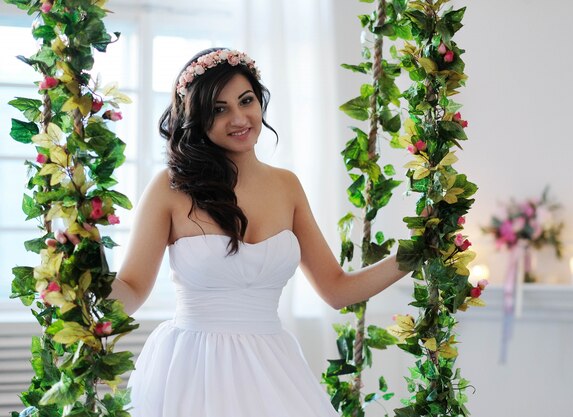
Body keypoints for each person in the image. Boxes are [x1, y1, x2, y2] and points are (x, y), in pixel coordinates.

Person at [80, 48, 406, 416]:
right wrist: (85, 260)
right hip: (192, 370)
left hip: (273, 369)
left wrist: (413, 255)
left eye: (246, 100)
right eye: (219, 109)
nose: (239, 118)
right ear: (197, 118)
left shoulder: (287, 186)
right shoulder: (170, 188)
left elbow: (337, 289)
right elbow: (131, 294)